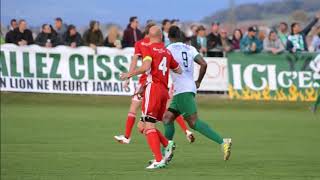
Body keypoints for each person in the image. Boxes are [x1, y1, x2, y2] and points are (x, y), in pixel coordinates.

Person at [114, 23, 193, 145]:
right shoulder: (163, 48)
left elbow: (138, 63)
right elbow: (177, 68)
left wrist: (128, 76)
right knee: (160, 116)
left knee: (141, 117)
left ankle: (128, 137)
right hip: (159, 85)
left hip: (148, 84)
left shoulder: (143, 45)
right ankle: (183, 133)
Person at [163, 26, 232, 162]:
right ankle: (166, 152)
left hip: (182, 90)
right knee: (167, 118)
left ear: (169, 37)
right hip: (186, 88)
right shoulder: (190, 48)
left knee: (194, 123)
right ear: (181, 36)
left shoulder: (168, 49)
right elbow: (204, 64)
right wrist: (198, 81)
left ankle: (223, 142)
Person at [120, 26, 182, 169]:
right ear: (161, 36)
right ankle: (168, 145)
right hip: (163, 92)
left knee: (149, 126)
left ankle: (159, 159)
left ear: (149, 36)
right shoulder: (167, 52)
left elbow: (145, 66)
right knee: (143, 126)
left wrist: (128, 74)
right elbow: (178, 69)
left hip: (153, 89)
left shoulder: (148, 49)